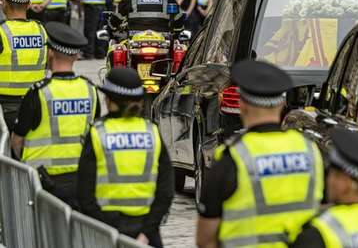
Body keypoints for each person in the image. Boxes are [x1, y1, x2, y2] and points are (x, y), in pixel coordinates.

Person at [196, 60, 324, 248]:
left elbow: (205, 239)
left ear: (242, 105)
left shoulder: (231, 159)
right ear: (282, 104)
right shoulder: (310, 151)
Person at [77, 68, 174, 247]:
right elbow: (166, 190)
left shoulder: (98, 133)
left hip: (107, 232)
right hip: (146, 233)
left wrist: (109, 232)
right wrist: (146, 233)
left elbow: (85, 194)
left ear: (110, 100)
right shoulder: (151, 131)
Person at [11, 22, 98, 207]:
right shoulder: (90, 90)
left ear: (50, 53)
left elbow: (17, 141)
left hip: (43, 182)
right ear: (75, 56)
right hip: (80, 179)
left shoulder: (39, 92)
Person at [0, 0, 48, 128]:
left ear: (3, 0)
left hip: (6, 106)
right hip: (36, 102)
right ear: (28, 4)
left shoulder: (2, 31)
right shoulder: (42, 30)